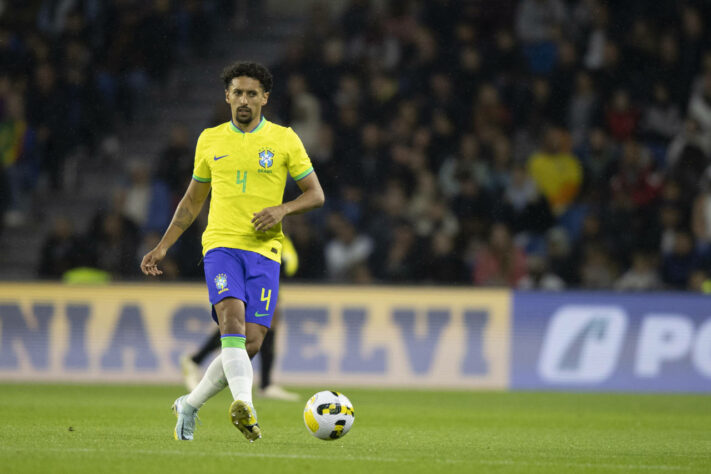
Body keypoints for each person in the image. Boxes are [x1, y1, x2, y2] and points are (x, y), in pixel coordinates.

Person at [140, 62, 325, 442]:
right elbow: (192, 202)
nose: (244, 100)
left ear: (264, 98)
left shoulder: (285, 140)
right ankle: (245, 404)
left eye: (251, 93)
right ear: (227, 97)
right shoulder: (210, 140)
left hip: (265, 251)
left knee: (252, 342)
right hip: (221, 246)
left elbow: (316, 194)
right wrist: (162, 246)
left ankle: (189, 405)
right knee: (232, 323)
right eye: (237, 93)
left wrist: (282, 209)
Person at [180, 234, 300, 401]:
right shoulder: (248, 229)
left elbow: (291, 265)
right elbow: (289, 264)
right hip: (248, 270)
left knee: (258, 324)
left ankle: (265, 383)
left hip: (265, 276)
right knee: (240, 323)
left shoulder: (279, 236)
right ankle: (196, 362)